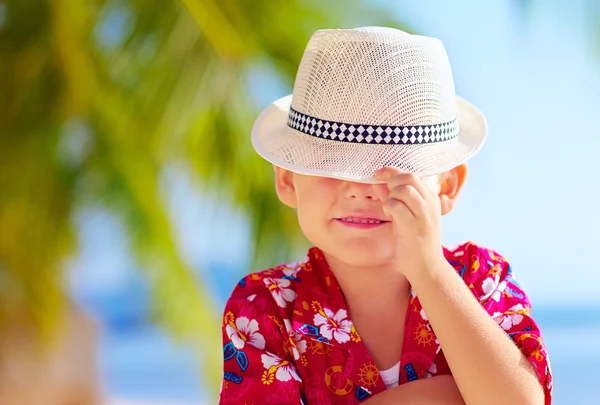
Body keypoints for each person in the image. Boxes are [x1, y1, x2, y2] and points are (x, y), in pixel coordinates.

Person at [219, 26, 552, 404]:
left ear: (447, 186)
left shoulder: (482, 280)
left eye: (392, 166)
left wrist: (429, 272)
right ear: (287, 179)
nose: (360, 188)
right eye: (331, 164)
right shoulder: (266, 306)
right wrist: (443, 397)